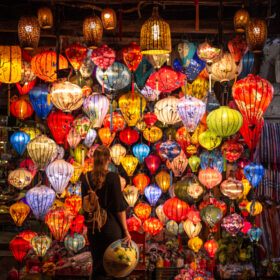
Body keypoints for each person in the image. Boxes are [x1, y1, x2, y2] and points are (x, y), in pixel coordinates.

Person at [81, 145, 131, 279]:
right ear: (108, 159)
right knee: (116, 268)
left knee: (98, 268)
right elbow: (119, 208)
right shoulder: (113, 178)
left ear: (94, 159)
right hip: (111, 229)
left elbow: (84, 207)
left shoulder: (85, 178)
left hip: (94, 230)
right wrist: (126, 231)